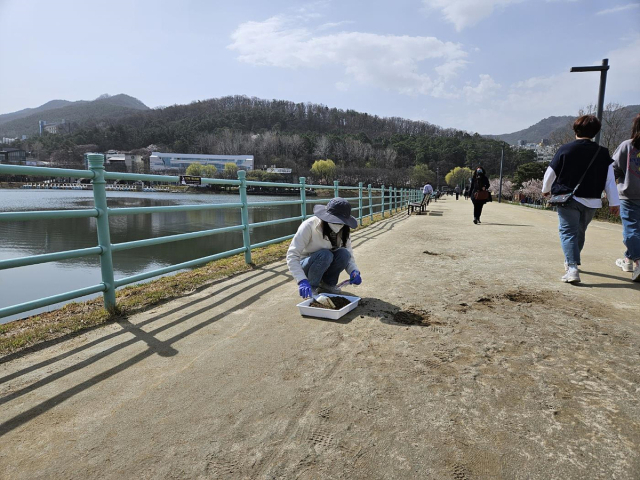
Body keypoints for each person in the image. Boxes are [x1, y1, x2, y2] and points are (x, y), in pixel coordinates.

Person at [542, 115, 620, 284]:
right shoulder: (602, 152)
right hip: (592, 201)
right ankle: (571, 262)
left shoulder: (566, 149)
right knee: (579, 232)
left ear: (575, 129)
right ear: (595, 132)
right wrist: (614, 203)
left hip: (568, 199)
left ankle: (572, 268)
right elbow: (609, 181)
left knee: (568, 232)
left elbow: (550, 172)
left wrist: (545, 190)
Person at [287, 197, 362, 298]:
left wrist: (354, 271)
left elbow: (349, 254)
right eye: (336, 221)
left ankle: (328, 284)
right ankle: (312, 286)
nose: (338, 225)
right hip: (307, 264)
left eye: (341, 222)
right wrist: (301, 280)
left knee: (344, 254)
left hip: (327, 261)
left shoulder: (344, 229)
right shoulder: (309, 226)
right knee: (325, 254)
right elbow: (292, 255)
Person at [612, 113, 640, 282]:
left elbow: (614, 169)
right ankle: (629, 259)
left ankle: (635, 260)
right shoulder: (627, 146)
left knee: (631, 232)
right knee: (634, 231)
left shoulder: (626, 146)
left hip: (628, 195)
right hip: (629, 197)